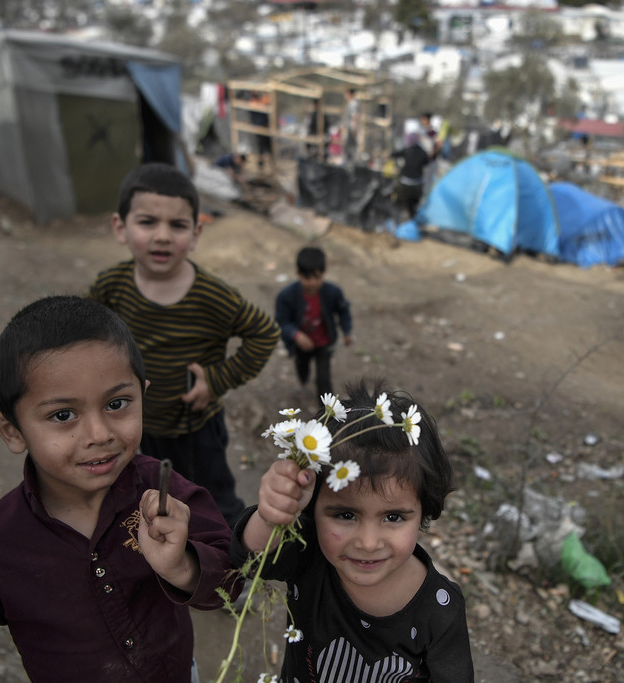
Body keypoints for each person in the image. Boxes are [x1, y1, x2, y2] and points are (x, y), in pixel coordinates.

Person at [0, 295, 239, 683]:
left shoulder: (167, 498)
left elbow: (231, 584)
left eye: (118, 403)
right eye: (63, 415)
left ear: (143, 396)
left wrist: (182, 565)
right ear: (12, 430)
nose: (100, 434)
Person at [230, 381, 475, 682]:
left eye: (393, 517)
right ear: (311, 507)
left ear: (425, 509)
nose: (369, 543)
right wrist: (272, 515)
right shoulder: (311, 558)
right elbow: (250, 558)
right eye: (346, 515)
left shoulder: (440, 609)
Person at [89, 163, 280, 527]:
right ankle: (179, 559)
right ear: (120, 227)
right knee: (158, 492)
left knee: (213, 499)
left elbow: (264, 333)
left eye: (177, 226)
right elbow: (86, 335)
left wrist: (217, 380)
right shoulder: (110, 286)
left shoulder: (213, 296)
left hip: (198, 427)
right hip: (140, 423)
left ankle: (232, 561)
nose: (162, 236)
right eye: (147, 222)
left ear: (195, 233)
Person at [275, 246, 353, 402]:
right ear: (298, 274)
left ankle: (327, 414)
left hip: (324, 343)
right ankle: (303, 382)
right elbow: (282, 321)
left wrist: (347, 331)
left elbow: (344, 311)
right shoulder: (286, 296)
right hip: (301, 345)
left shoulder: (332, 292)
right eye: (307, 278)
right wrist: (296, 335)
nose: (312, 282)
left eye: (317, 277)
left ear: (323, 274)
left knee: (324, 379)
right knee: (302, 367)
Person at [390, 132, 432, 220]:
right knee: (414, 206)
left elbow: (394, 155)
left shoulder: (407, 150)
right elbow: (427, 162)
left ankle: (404, 219)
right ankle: (412, 219)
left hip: (405, 183)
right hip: (418, 184)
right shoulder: (422, 152)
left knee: (404, 202)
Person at [341, 88, 360, 166]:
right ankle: (348, 161)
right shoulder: (349, 103)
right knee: (346, 145)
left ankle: (352, 162)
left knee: (351, 146)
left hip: (351, 128)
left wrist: (354, 129)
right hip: (348, 127)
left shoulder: (354, 103)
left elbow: (355, 116)